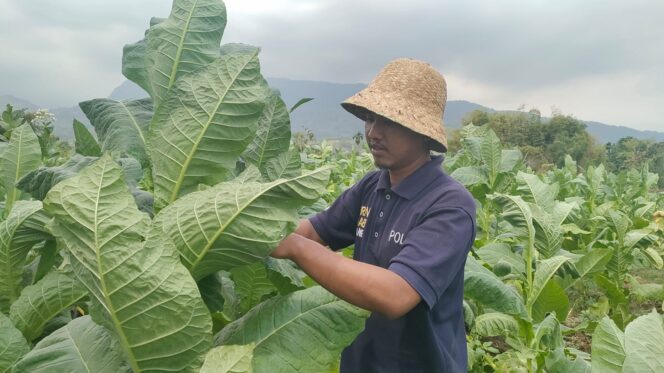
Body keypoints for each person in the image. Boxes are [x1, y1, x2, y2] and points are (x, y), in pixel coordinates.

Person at [271, 58, 476, 372]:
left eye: (389, 121)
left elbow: (395, 294)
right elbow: (315, 231)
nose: (373, 132)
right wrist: (252, 229)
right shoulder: (373, 185)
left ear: (423, 133)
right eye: (369, 118)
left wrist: (297, 249)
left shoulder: (449, 205)